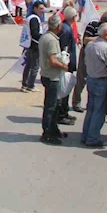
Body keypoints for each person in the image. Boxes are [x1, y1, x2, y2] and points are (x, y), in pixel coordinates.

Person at [80, 22, 107, 148]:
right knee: (98, 111)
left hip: (91, 79)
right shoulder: (105, 48)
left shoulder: (90, 45)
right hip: (100, 81)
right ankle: (92, 138)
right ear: (106, 34)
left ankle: (86, 135)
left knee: (91, 109)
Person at [72, 10, 107, 113]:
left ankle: (89, 104)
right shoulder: (92, 25)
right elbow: (85, 40)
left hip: (100, 56)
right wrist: (100, 37)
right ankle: (76, 102)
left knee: (94, 77)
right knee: (81, 77)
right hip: (88, 52)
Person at [38, 14, 69, 145]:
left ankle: (54, 129)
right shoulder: (51, 40)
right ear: (58, 26)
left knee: (55, 105)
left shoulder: (45, 36)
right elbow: (52, 61)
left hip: (47, 74)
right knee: (51, 106)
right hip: (52, 76)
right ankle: (47, 133)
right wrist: (63, 65)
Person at [21, 1, 46, 92]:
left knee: (28, 66)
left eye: (43, 9)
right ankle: (30, 85)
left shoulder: (30, 17)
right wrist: (44, 37)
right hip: (34, 46)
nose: (42, 11)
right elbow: (34, 33)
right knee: (34, 66)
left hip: (28, 45)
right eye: (40, 9)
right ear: (35, 8)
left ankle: (25, 84)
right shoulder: (34, 19)